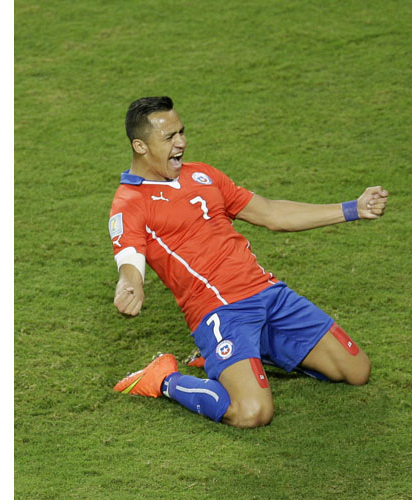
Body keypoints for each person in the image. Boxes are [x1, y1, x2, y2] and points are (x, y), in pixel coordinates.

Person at [109, 96, 388, 428]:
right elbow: (129, 257)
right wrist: (131, 284)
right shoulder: (130, 202)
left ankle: (250, 354)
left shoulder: (203, 175)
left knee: (356, 370)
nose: (182, 142)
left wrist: (353, 208)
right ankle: (163, 379)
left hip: (268, 293)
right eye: (169, 137)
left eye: (181, 132)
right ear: (140, 145)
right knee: (252, 412)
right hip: (219, 311)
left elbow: (271, 213)